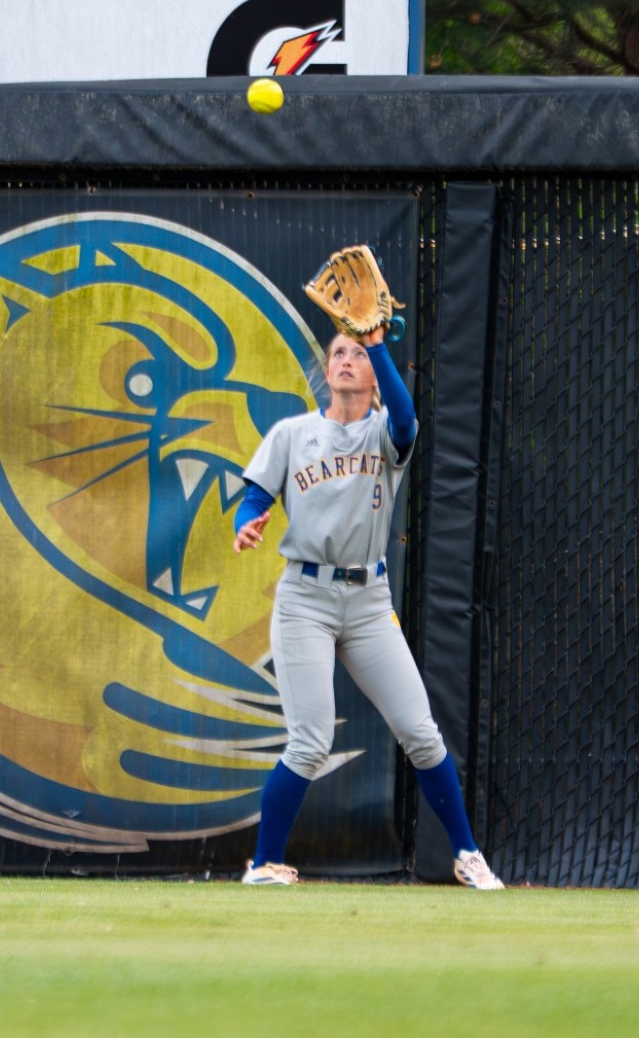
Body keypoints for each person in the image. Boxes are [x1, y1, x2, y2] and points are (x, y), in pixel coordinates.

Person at [231, 321, 504, 890]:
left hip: (368, 599)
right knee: (309, 741)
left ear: (375, 377)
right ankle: (263, 866)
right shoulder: (293, 433)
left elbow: (406, 421)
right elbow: (256, 495)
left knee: (422, 732)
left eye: (357, 354)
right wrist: (245, 523)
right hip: (305, 597)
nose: (346, 360)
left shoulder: (386, 432)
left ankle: (467, 854)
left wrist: (378, 344)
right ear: (326, 371)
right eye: (339, 353)